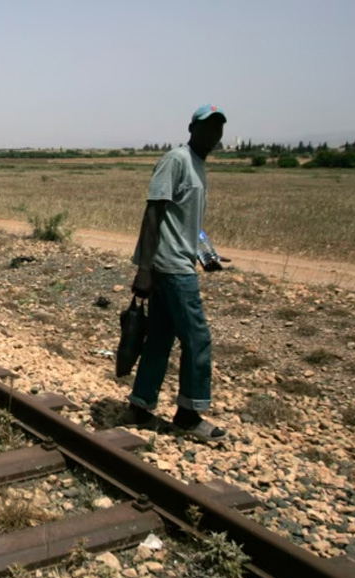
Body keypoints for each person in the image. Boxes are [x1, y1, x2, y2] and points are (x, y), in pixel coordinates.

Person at [125, 104, 229, 442]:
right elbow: (153, 213)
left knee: (159, 338)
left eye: (218, 129)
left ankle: (140, 406)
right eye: (207, 127)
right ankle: (187, 414)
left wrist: (205, 251)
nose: (213, 135)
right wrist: (144, 269)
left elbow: (187, 221)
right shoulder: (176, 160)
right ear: (191, 128)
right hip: (170, 267)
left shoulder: (198, 165)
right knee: (197, 340)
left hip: (180, 262)